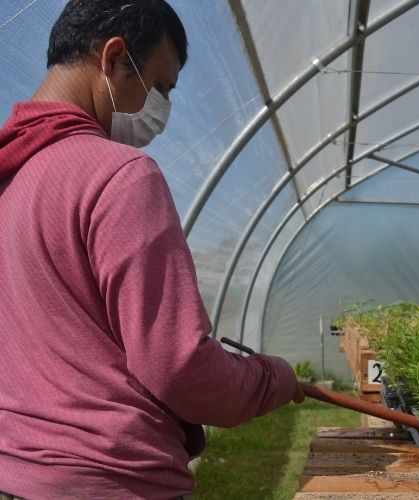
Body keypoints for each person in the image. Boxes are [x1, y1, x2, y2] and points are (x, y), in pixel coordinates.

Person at [0, 1, 304, 498]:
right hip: (113, 479)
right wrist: (275, 377)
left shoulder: (10, 174)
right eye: (161, 86)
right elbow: (181, 370)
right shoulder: (118, 175)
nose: (162, 107)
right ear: (115, 58)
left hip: (17, 475)